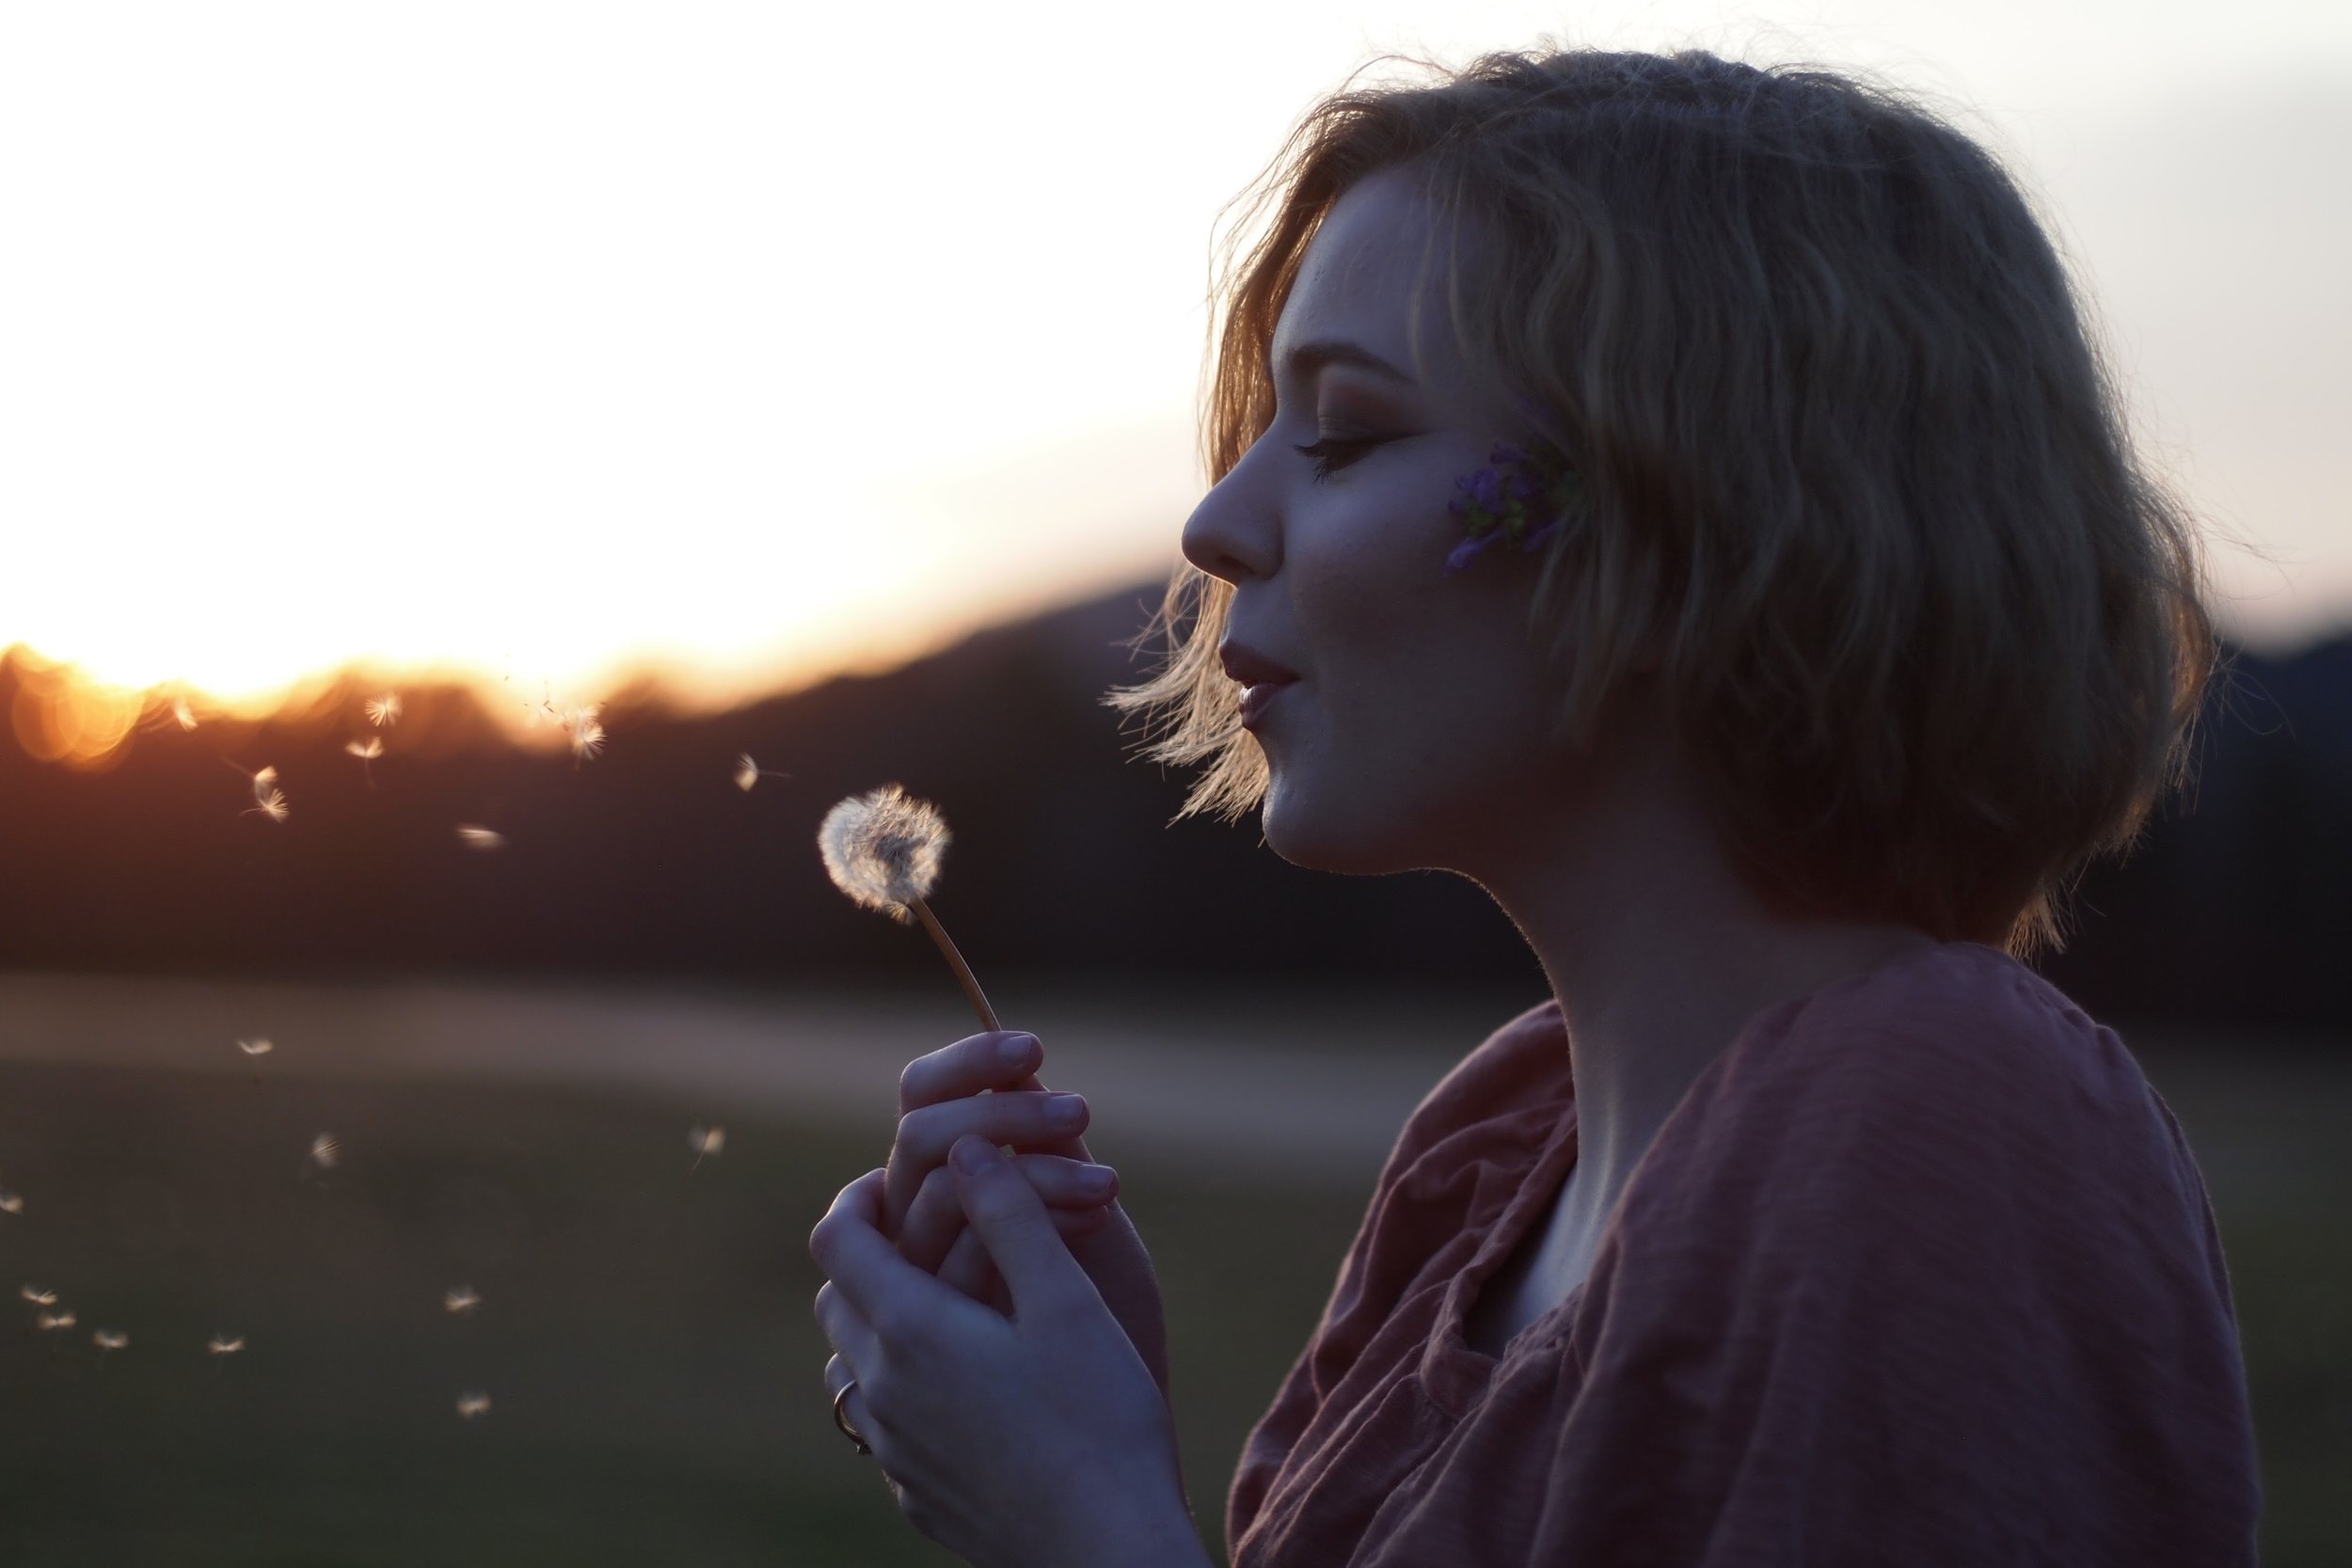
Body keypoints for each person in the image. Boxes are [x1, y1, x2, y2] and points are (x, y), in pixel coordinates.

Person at [808, 42, 2263, 1567]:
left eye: (1351, 432)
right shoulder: (1492, 1161)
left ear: (1705, 504)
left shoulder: (1945, 1123)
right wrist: (1090, 1424)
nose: (1218, 524)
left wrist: (1085, 1534)